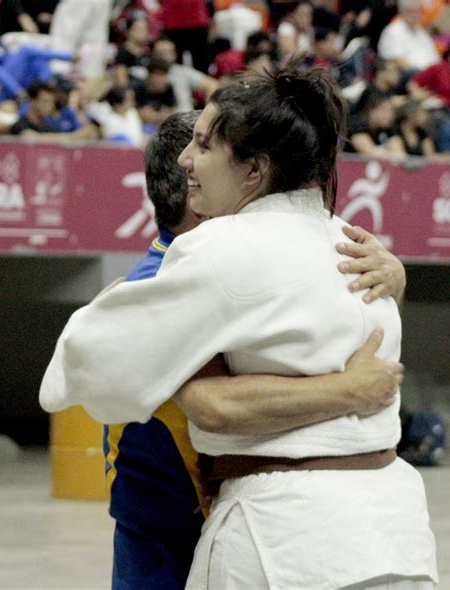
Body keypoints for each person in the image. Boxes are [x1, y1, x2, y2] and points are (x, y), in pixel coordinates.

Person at [40, 67, 437, 588]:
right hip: (396, 534)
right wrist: (348, 389)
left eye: (203, 146)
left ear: (254, 171)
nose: (186, 162)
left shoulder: (216, 247)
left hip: (282, 540)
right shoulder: (357, 247)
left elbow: (78, 366)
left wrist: (133, 327)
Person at [103, 111, 407, 589]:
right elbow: (216, 406)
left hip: (193, 520)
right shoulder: (167, 290)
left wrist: (393, 278)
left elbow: (343, 325)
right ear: (196, 192)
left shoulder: (220, 268)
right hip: (170, 532)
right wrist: (350, 390)